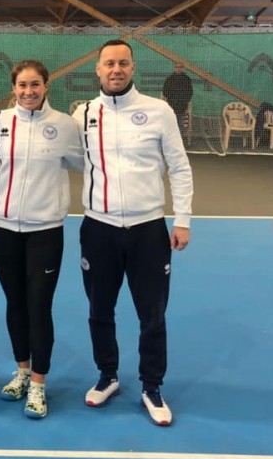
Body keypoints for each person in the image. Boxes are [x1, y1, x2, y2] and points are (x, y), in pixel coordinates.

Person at [71, 40, 193, 427]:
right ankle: (107, 376)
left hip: (148, 231)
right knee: (99, 310)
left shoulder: (159, 111)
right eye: (109, 63)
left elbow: (179, 166)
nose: (116, 69)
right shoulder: (82, 114)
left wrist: (183, 218)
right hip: (98, 229)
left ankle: (151, 387)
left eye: (123, 63)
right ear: (98, 69)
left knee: (152, 315)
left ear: (133, 68)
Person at [0, 59, 83, 419]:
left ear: (46, 85)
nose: (28, 92)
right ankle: (21, 371)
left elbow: (86, 163)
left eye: (35, 84)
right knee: (15, 303)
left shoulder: (65, 126)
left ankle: (38, 383)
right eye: (22, 85)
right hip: (3, 228)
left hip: (45, 231)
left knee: (39, 305)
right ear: (13, 88)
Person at [161, 61, 193, 141]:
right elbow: (165, 91)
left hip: (182, 106)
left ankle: (178, 141)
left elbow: (190, 92)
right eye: (177, 67)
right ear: (174, 68)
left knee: (179, 124)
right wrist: (170, 100)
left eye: (180, 67)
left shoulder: (186, 79)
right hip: (171, 105)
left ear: (183, 69)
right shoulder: (170, 79)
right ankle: (169, 140)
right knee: (170, 124)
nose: (178, 69)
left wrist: (184, 101)